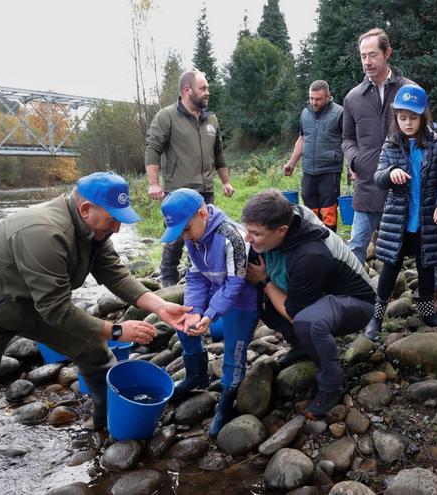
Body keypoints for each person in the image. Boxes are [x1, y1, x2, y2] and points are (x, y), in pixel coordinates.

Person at [0, 172, 191, 494]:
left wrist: (159, 305)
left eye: (121, 220)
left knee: (95, 354)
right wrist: (116, 329)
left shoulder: (95, 232)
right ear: (86, 209)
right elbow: (56, 310)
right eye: (112, 219)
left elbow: (114, 274)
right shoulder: (44, 232)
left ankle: (104, 431)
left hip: (29, 307)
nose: (117, 228)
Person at [242, 191, 375, 417]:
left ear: (282, 230)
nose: (247, 237)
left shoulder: (310, 253)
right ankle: (303, 347)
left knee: (307, 322)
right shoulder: (284, 218)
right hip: (321, 293)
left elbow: (294, 313)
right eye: (247, 230)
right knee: (263, 303)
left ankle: (332, 385)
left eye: (255, 233)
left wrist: (264, 281)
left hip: (356, 302)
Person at [159, 189, 259, 437]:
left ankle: (226, 398)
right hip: (218, 294)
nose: (184, 237)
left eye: (186, 230)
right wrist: (194, 311)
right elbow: (195, 277)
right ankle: (196, 376)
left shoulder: (231, 236)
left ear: (203, 214)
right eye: (180, 233)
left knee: (234, 352)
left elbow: (236, 284)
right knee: (184, 322)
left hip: (243, 301)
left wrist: (210, 314)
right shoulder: (193, 237)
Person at [362, 84, 437, 339]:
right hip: (398, 221)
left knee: (427, 266)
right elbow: (379, 176)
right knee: (390, 269)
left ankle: (428, 314)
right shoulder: (391, 143)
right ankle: (376, 317)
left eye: (412, 118)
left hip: (426, 219)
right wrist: (390, 173)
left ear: (423, 116)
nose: (407, 123)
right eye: (402, 118)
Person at [145, 70, 236, 286]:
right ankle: (168, 281)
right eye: (203, 88)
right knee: (177, 238)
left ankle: (196, 276)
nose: (208, 92)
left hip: (206, 191)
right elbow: (153, 147)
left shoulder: (211, 118)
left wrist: (226, 181)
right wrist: (153, 183)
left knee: (205, 236)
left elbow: (219, 153)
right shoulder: (166, 116)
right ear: (187, 90)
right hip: (179, 190)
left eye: (207, 88)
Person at [284, 80, 344, 231]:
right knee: (310, 213)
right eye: (311, 98)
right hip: (309, 170)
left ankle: (330, 246)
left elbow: (347, 140)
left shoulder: (339, 113)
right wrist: (291, 163)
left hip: (330, 171)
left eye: (318, 99)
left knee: (328, 212)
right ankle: (312, 245)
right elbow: (302, 139)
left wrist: (352, 167)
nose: (314, 102)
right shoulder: (305, 114)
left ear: (328, 97)